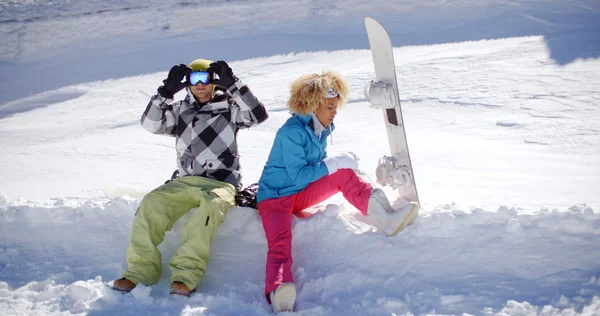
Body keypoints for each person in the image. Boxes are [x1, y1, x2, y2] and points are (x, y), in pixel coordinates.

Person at [256, 70, 419, 312]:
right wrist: (333, 163)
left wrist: (339, 167)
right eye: (330, 107)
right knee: (280, 243)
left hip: (300, 193)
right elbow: (299, 174)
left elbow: (314, 172)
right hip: (275, 198)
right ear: (312, 105)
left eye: (335, 107)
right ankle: (280, 290)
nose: (334, 113)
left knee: (345, 175)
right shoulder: (291, 132)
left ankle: (385, 219)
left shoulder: (320, 128)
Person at [112, 59, 268, 296]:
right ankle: (140, 271)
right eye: (194, 79)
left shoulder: (229, 108)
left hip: (221, 184)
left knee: (210, 205)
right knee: (152, 202)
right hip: (184, 182)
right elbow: (150, 124)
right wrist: (164, 93)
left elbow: (258, 115)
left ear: (215, 82)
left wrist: (234, 84)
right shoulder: (179, 111)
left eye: (206, 78)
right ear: (186, 83)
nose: (200, 85)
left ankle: (186, 275)